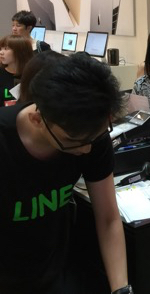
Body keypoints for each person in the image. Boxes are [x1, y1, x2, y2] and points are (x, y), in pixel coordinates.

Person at [0, 52, 130, 293]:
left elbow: (108, 218)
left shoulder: (90, 131)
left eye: (94, 139)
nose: (87, 149)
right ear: (37, 119)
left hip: (55, 270)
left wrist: (121, 289)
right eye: (73, 141)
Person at [0, 35, 34, 106]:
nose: (1, 52)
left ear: (20, 52)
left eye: (6, 49)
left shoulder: (32, 75)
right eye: (1, 49)